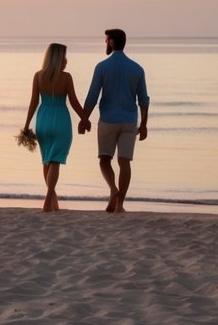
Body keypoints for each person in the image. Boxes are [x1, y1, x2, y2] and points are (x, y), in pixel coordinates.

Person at [79, 28, 149, 213]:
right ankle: (120, 204)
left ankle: (113, 189)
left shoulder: (102, 67)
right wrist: (144, 124)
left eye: (106, 40)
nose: (105, 43)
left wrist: (84, 118)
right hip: (129, 121)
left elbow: (92, 96)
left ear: (111, 42)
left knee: (104, 159)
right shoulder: (137, 68)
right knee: (124, 162)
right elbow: (144, 100)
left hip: (108, 120)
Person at [22, 42, 87, 211]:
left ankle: (53, 200)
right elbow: (73, 102)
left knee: (46, 161)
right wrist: (84, 118)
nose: (66, 60)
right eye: (64, 56)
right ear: (58, 58)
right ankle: (48, 198)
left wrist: (27, 124)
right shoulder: (66, 78)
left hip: (43, 120)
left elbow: (34, 102)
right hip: (60, 120)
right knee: (55, 160)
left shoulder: (38, 76)